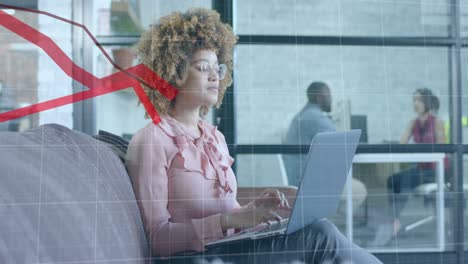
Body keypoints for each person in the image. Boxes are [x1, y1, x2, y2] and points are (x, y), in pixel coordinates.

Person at [126, 8, 381, 263]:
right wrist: (231, 219)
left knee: (318, 229)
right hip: (196, 256)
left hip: (229, 246)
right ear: (173, 73)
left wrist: (254, 210)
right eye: (203, 68)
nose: (215, 76)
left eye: (218, 68)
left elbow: (226, 211)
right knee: (319, 235)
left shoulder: (214, 138)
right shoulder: (151, 140)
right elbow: (157, 238)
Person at [372, 88, 445, 246]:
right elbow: (402, 144)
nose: (415, 104)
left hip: (434, 169)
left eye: (418, 100)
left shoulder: (437, 122)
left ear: (426, 102)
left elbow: (442, 148)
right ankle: (395, 218)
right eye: (414, 100)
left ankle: (392, 221)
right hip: (420, 169)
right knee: (392, 180)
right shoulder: (413, 123)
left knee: (405, 180)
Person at [283, 82, 367, 210]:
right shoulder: (314, 117)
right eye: (329, 96)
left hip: (297, 179)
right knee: (359, 190)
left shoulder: (302, 116)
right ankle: (321, 217)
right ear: (319, 97)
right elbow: (340, 143)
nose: (331, 99)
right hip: (307, 183)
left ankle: (319, 217)